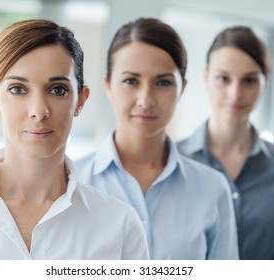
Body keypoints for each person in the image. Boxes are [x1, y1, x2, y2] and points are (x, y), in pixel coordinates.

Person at [0, 19, 149, 260]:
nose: (39, 111)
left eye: (58, 90)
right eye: (18, 89)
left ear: (81, 100)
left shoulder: (120, 226)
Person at [75, 17, 239, 260]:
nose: (146, 100)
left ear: (181, 88)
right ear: (108, 86)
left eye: (163, 82)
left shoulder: (212, 189)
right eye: (131, 81)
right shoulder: (69, 183)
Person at [176, 26, 274, 259]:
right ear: (206, 78)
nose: (235, 93)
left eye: (249, 81)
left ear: (265, 82)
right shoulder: (171, 161)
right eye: (223, 79)